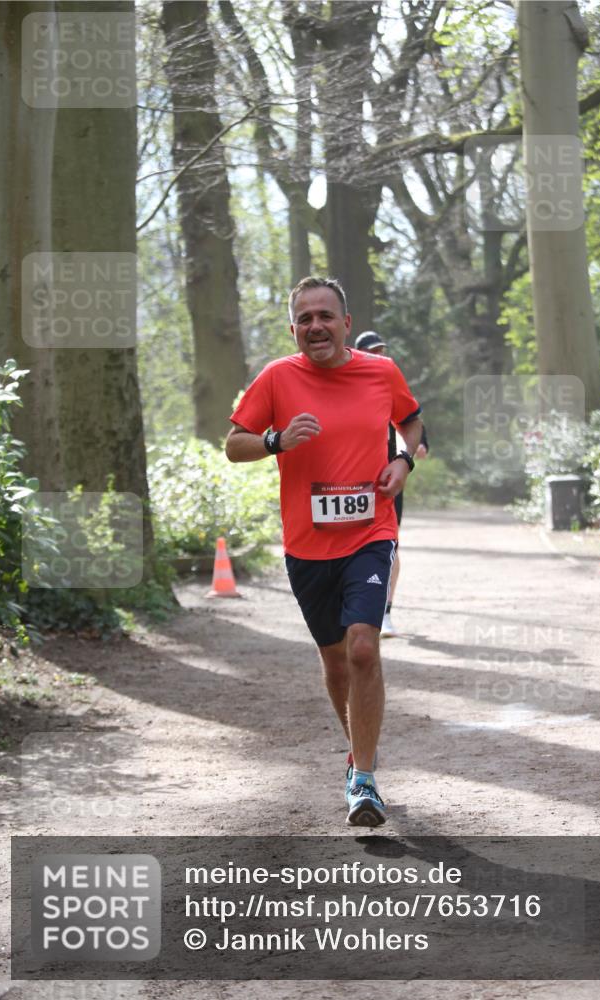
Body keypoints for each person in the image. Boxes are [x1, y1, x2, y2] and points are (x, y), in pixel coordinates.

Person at [226, 277, 423, 827]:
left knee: (363, 648)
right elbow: (234, 444)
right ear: (294, 330)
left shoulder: (380, 372)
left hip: (371, 532)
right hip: (307, 546)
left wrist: (403, 462)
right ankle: (359, 749)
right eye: (305, 318)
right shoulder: (276, 378)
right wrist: (275, 441)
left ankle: (363, 780)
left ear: (346, 324)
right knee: (336, 660)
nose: (316, 325)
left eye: (325, 316)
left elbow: (410, 421)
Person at [354, 331, 429, 638]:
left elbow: (416, 433)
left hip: (386, 485)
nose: (380, 355)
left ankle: (384, 613)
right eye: (373, 351)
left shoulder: (390, 384)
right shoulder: (341, 388)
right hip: (344, 485)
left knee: (388, 548)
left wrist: (407, 453)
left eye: (383, 350)